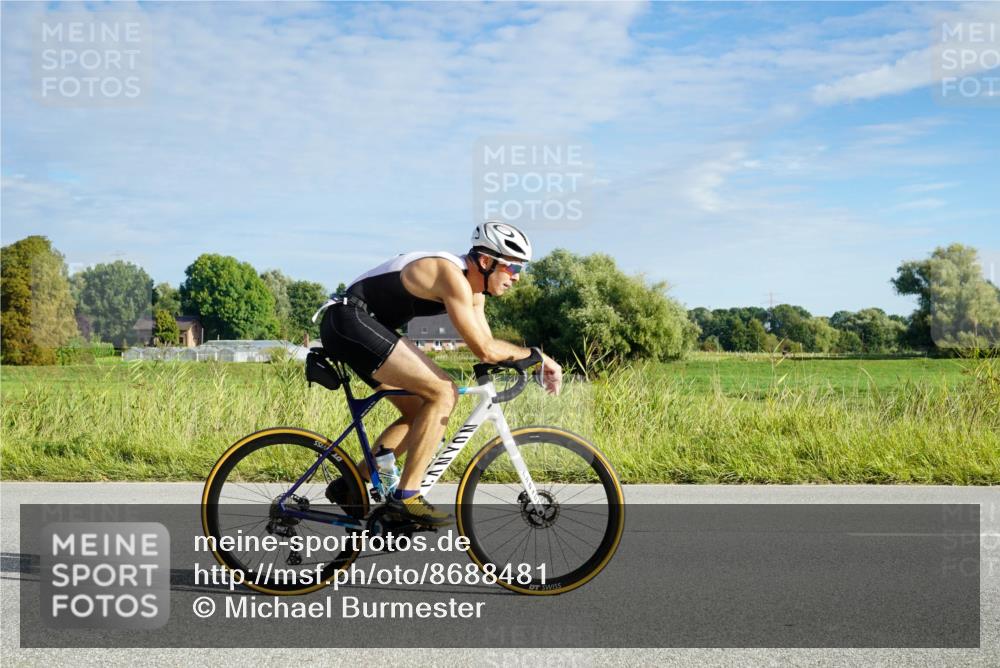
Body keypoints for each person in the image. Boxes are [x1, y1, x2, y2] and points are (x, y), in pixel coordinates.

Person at [318, 221, 562, 527]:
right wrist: (538, 358)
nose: (516, 278)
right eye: (513, 268)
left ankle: (351, 484)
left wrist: (517, 360)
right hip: (349, 319)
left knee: (421, 409)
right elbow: (486, 349)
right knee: (444, 391)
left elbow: (484, 345)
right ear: (486, 262)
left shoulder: (475, 293)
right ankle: (407, 498)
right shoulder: (451, 276)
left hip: (363, 326)